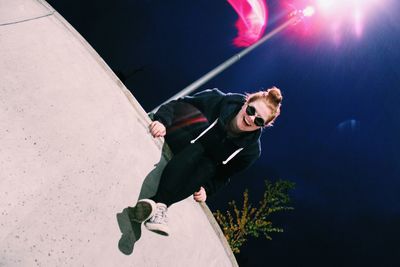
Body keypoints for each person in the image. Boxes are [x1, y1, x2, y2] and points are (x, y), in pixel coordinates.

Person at [129, 87, 283, 236]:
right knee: (201, 149)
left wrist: (208, 189)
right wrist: (162, 121)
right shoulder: (218, 99)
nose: (251, 118)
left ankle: (155, 206)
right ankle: (160, 205)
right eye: (251, 110)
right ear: (246, 102)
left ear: (263, 126)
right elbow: (178, 104)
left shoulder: (251, 151)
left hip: (194, 163)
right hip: (178, 136)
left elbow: (224, 174)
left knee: (209, 166)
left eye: (259, 120)